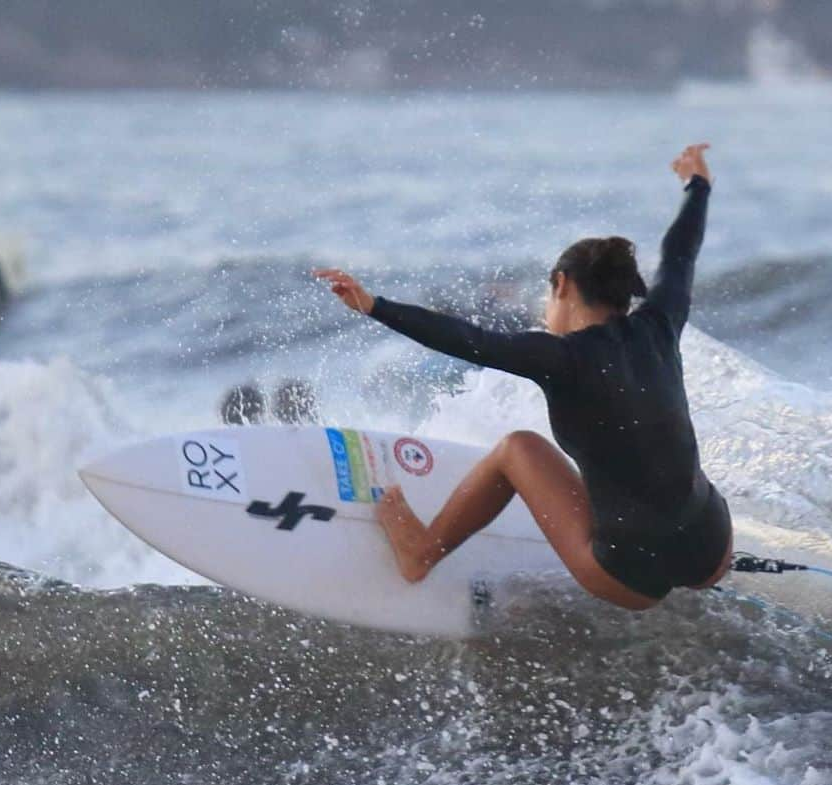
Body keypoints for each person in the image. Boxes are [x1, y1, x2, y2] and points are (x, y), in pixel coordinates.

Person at [313, 143, 731, 612]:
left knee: (517, 449)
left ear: (562, 285)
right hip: (712, 548)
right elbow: (680, 254)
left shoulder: (560, 356)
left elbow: (466, 339)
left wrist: (375, 307)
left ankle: (420, 553)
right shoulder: (660, 323)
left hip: (630, 575)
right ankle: (680, 551)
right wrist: (698, 185)